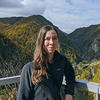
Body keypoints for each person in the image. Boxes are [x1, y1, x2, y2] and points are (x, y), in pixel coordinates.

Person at [17, 25, 75, 100]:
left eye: (54, 38)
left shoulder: (62, 61)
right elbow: (23, 97)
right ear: (41, 41)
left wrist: (69, 93)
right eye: (47, 39)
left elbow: (70, 74)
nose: (51, 42)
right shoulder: (29, 68)